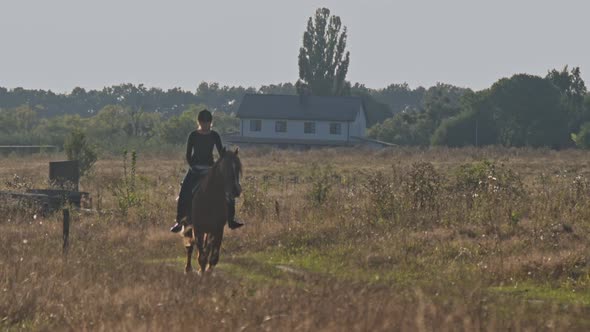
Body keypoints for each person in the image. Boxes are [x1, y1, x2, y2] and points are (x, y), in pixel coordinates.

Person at [170, 109, 244, 233]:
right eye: (203, 123)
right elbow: (188, 155)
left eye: (208, 123)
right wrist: (193, 166)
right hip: (195, 169)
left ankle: (231, 220)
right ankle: (180, 220)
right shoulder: (193, 135)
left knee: (228, 191)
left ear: (211, 122)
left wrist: (228, 158)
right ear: (199, 122)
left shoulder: (214, 135)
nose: (205, 125)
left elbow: (221, 153)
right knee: (184, 192)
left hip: (210, 169)